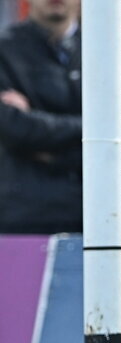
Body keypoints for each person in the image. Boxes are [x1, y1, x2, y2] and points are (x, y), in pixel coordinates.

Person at [0, 0, 82, 234]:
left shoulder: (116, 51)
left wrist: (49, 151)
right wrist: (91, 131)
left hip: (100, 213)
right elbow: (12, 128)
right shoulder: (5, 49)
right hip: (23, 216)